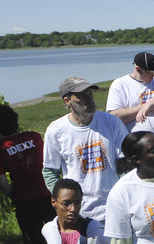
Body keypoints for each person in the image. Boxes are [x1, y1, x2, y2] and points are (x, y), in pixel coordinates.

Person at [43, 77, 128, 222]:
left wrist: (127, 195)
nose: (89, 99)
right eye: (81, 96)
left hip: (115, 207)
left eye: (90, 94)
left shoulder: (111, 122)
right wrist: (65, 203)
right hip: (80, 213)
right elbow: (50, 171)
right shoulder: (56, 131)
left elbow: (125, 163)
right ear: (67, 101)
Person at [0, 104, 55, 244]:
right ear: (15, 120)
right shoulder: (35, 137)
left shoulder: (2, 149)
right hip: (46, 194)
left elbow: (3, 183)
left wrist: (12, 194)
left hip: (23, 201)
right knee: (59, 234)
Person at [106, 52, 154, 151]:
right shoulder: (120, 85)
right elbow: (115, 116)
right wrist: (144, 106)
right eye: (150, 73)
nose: (153, 76)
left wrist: (152, 105)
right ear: (138, 69)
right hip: (137, 150)